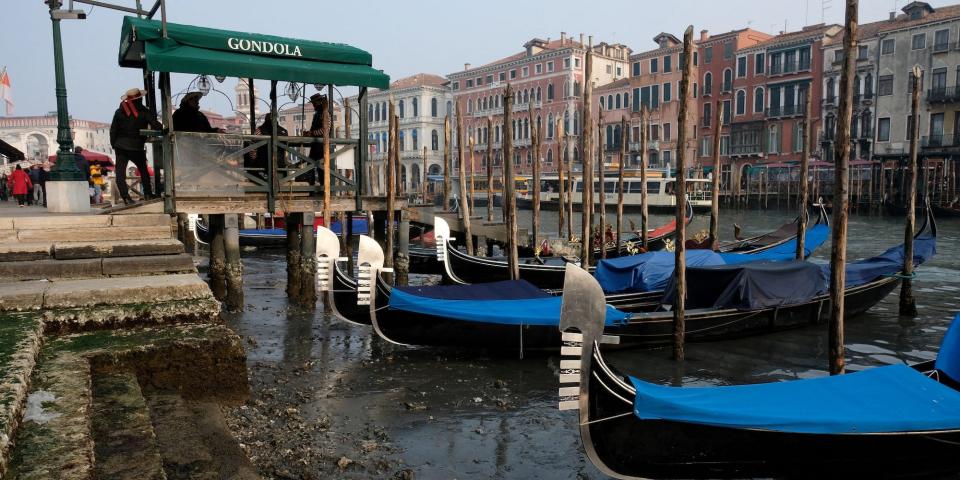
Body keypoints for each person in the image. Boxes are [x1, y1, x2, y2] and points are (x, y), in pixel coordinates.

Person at [110, 88, 161, 204]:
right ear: (140, 99)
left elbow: (113, 131)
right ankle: (148, 194)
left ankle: (126, 198)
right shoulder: (144, 111)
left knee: (120, 173)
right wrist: (165, 129)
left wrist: (114, 145)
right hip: (136, 146)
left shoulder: (119, 112)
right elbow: (155, 124)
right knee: (143, 171)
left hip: (120, 146)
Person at [244, 113, 287, 181]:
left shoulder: (259, 131)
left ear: (265, 120)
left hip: (262, 166)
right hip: (280, 165)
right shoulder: (284, 132)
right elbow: (285, 151)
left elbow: (253, 152)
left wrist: (253, 162)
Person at [301, 93, 330, 185]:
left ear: (319, 102)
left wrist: (312, 133)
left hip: (322, 145)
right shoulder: (317, 114)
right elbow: (315, 129)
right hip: (315, 145)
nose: (313, 105)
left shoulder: (326, 114)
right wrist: (308, 133)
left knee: (321, 167)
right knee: (310, 166)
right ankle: (312, 188)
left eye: (314, 103)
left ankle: (321, 188)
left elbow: (325, 130)